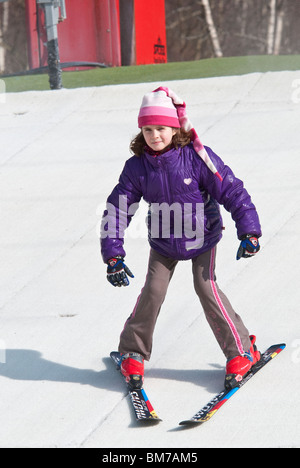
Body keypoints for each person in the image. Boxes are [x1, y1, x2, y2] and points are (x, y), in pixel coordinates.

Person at [101, 87, 261, 391]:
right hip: (163, 242)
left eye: (160, 128)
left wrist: (249, 230)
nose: (154, 135)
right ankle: (131, 352)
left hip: (203, 237)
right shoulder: (137, 168)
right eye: (147, 129)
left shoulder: (197, 157)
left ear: (175, 128)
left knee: (206, 288)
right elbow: (117, 210)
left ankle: (241, 351)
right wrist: (113, 255)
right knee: (154, 290)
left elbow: (232, 190)